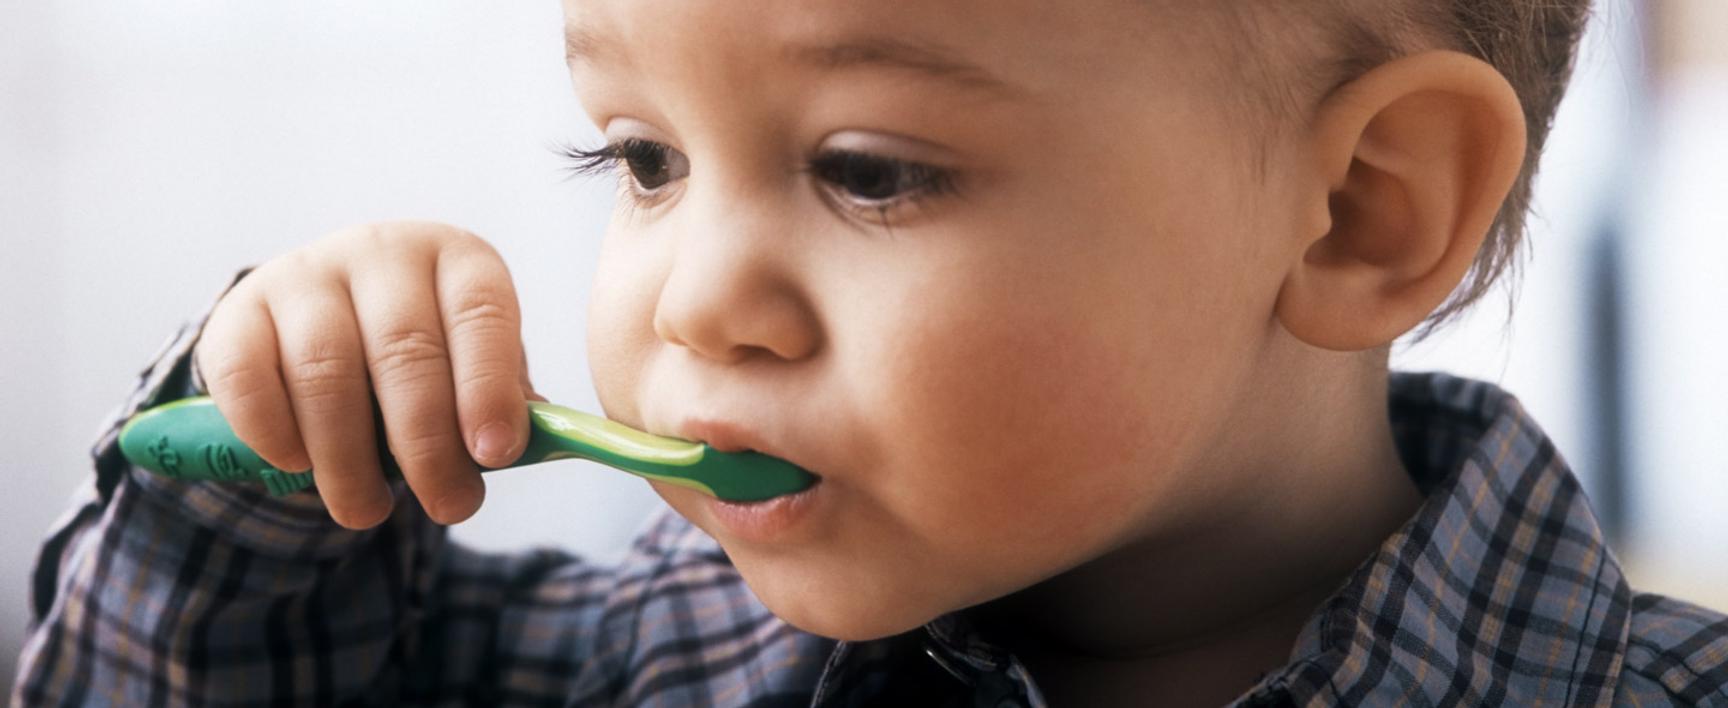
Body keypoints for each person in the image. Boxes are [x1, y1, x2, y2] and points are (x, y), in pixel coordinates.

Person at [14, 0, 1728, 705]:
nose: (688, 303)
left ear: (1358, 209)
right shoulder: (619, 665)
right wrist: (272, 442)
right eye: (643, 160)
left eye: (866, 172)